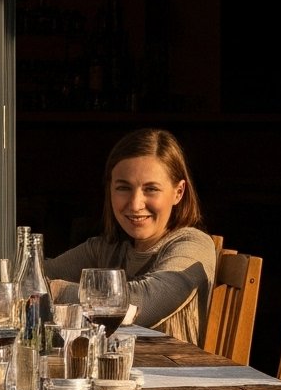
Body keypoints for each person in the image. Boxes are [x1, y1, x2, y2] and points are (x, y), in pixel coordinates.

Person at [46, 128, 215, 343]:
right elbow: (35, 275)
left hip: (172, 372)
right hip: (116, 372)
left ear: (178, 192)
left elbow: (142, 304)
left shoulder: (193, 244)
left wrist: (57, 291)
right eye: (123, 188)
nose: (135, 204)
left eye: (151, 189)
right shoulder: (108, 248)